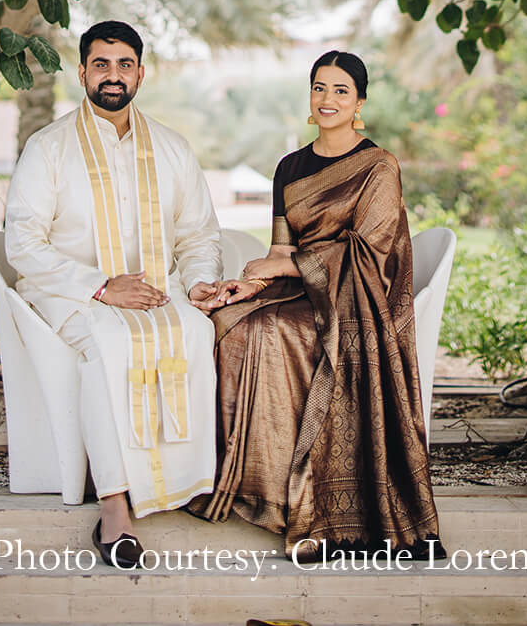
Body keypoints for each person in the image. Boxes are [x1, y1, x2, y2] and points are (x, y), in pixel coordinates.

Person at [189, 50, 445, 560]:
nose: (328, 99)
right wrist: (250, 286)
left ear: (360, 103)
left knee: (275, 333)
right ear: (310, 96)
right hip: (301, 290)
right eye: (320, 88)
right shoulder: (290, 167)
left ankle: (300, 499)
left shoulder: (378, 166)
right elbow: (280, 253)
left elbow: (370, 251)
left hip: (357, 300)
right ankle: (247, 485)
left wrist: (285, 269)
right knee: (227, 323)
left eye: (341, 91)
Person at [3, 20, 223, 569]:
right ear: (81, 72)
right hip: (69, 291)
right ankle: (115, 506)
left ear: (141, 73)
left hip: (153, 291)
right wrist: (102, 287)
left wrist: (196, 282)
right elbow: (23, 243)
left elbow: (199, 235)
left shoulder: (172, 148)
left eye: (124, 64)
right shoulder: (48, 146)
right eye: (101, 64)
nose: (113, 75)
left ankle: (185, 483)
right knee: (109, 346)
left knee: (196, 330)